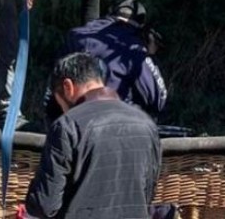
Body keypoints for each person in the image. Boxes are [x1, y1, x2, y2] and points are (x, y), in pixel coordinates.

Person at [25, 51, 161, 219]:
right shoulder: (146, 124)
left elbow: (44, 205)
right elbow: (147, 193)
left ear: (68, 87)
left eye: (59, 101)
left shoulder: (68, 125)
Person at [45, 0, 168, 123]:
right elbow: (158, 100)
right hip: (115, 125)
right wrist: (149, 55)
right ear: (139, 25)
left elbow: (54, 82)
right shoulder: (133, 46)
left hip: (66, 119)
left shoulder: (75, 35)